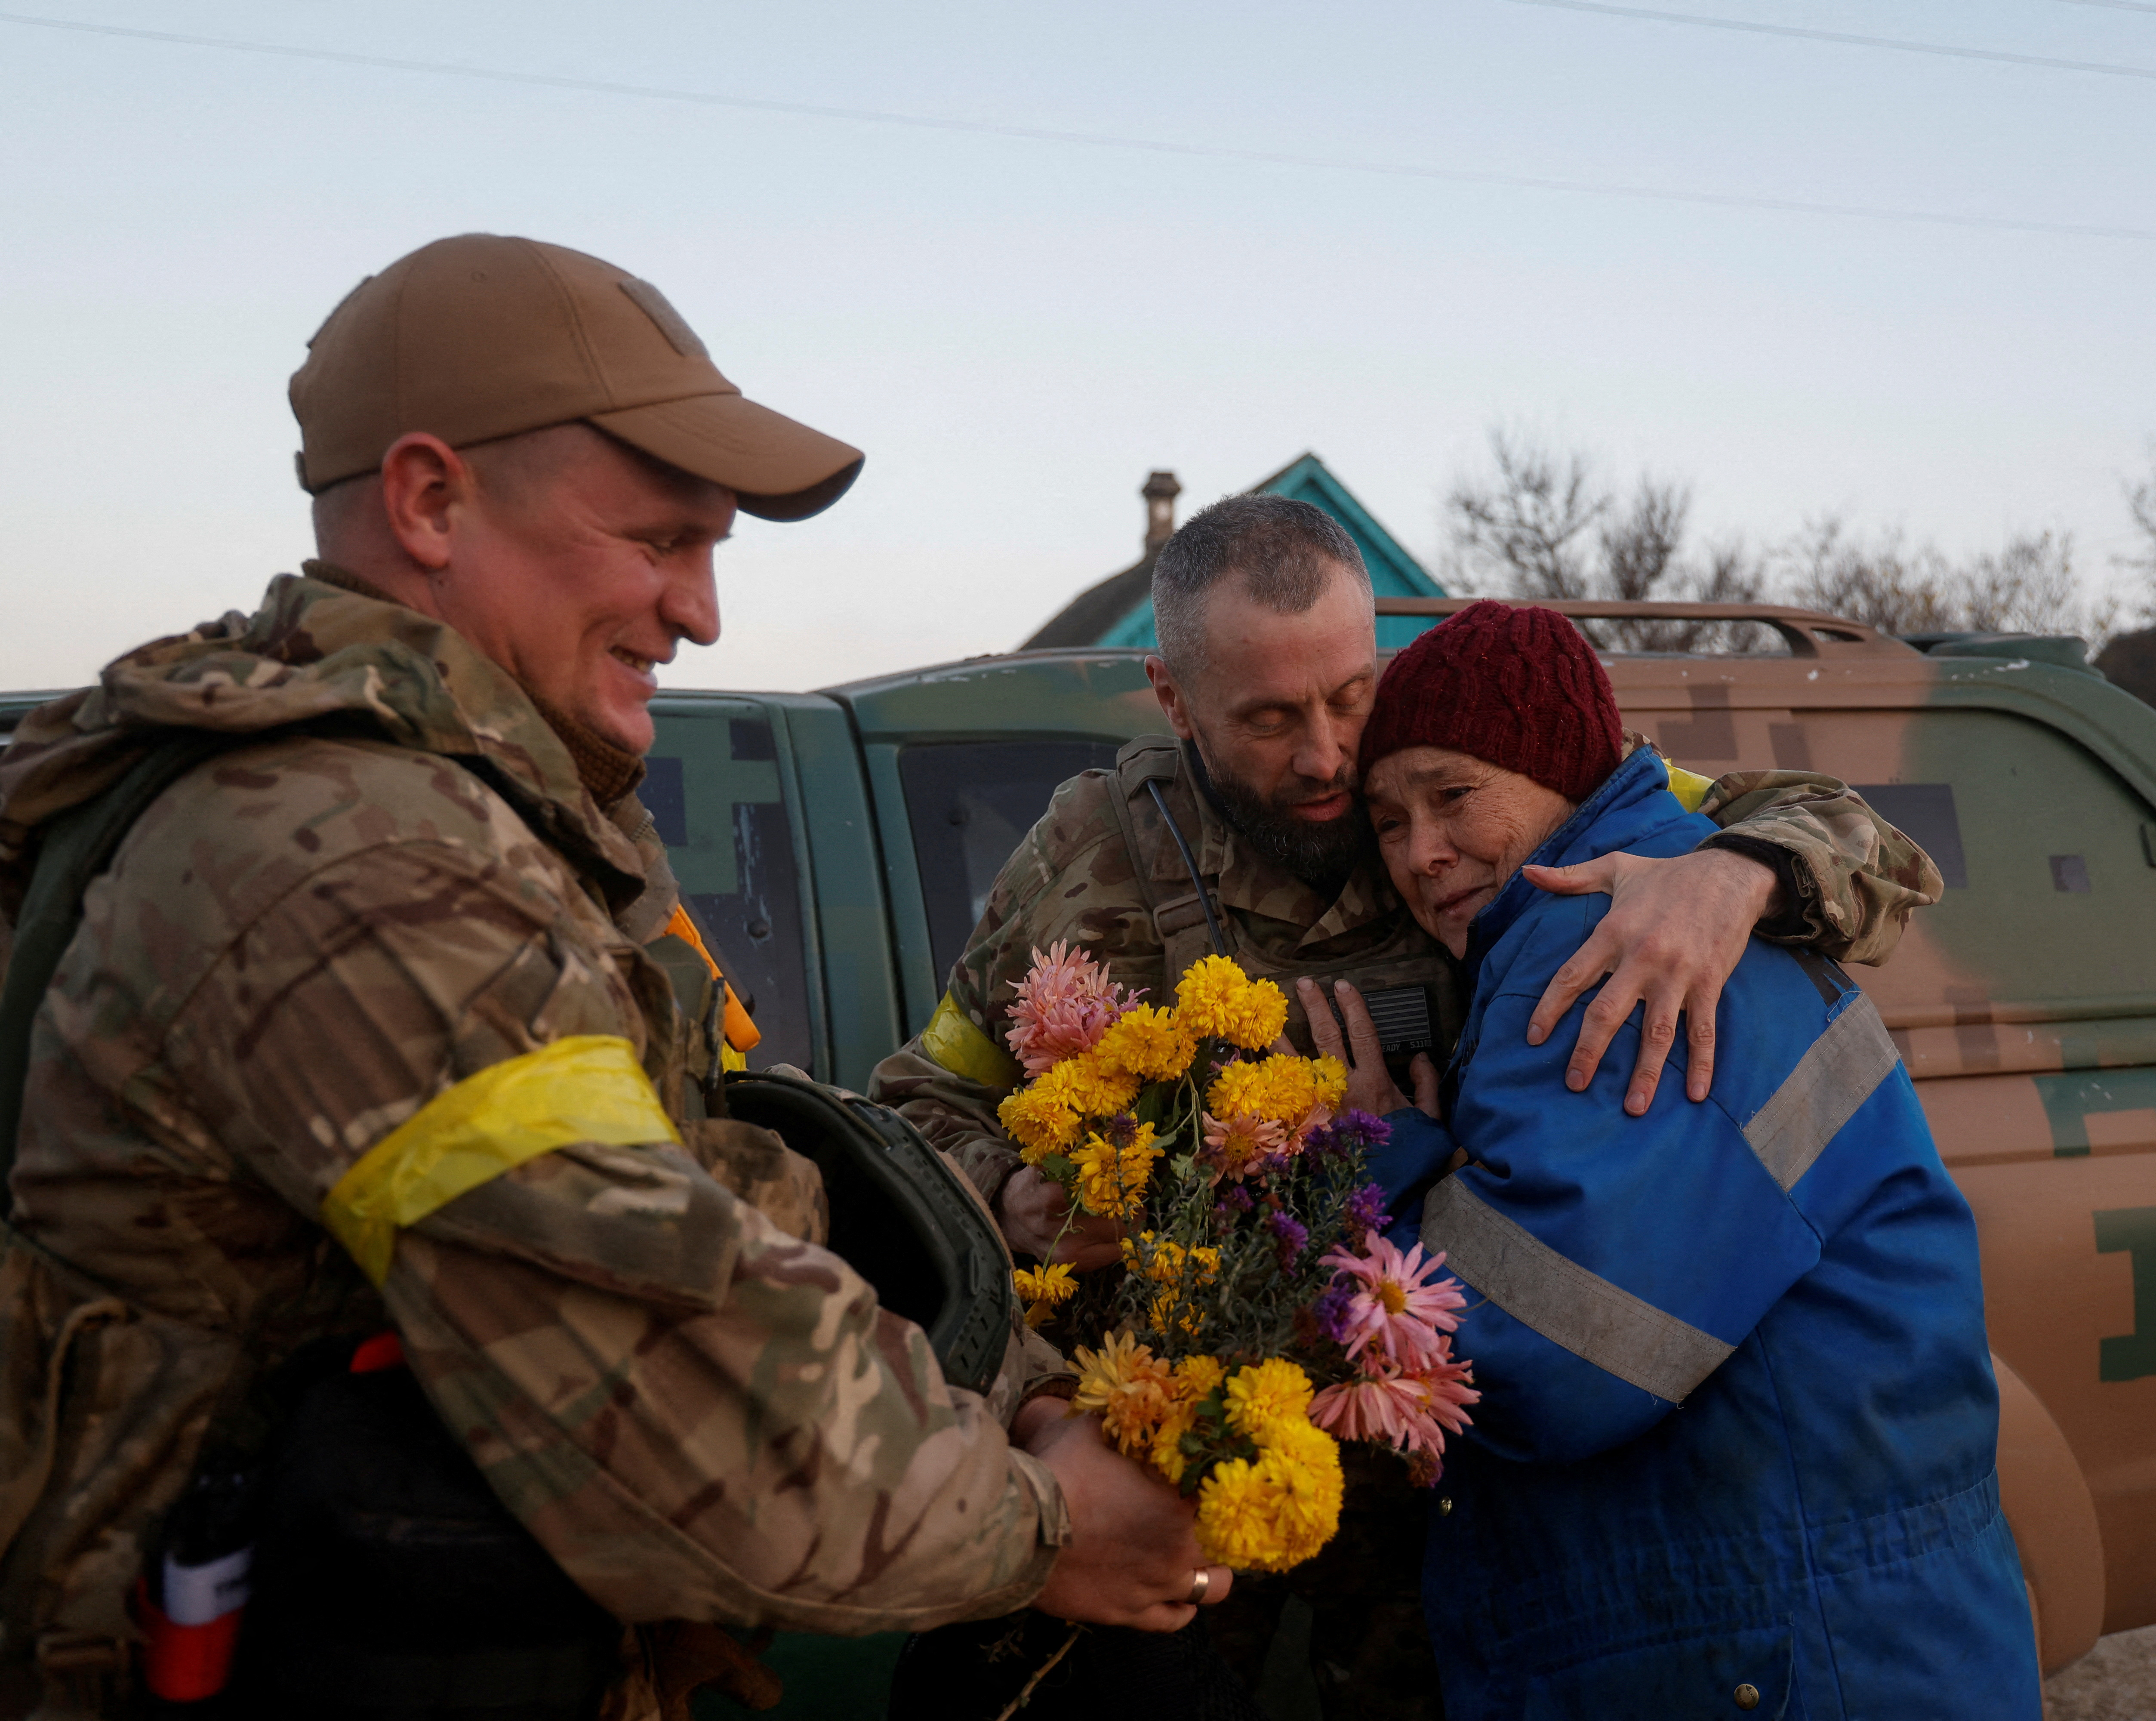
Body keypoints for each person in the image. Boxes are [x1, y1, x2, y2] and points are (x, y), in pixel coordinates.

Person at [0, 234, 1223, 1721]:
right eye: (657, 540)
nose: (703, 613)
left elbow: (720, 1178)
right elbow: (668, 1358)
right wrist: (1049, 1525)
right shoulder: (350, 865)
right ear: (431, 500)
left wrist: (1014, 1376)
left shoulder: (487, 803)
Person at [870, 500, 1946, 1714]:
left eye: (1349, 696)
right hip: (1185, 1494)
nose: (1328, 757)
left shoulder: (1475, 789)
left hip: (1457, 1502)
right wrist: (1014, 1201)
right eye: (1272, 720)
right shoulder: (1088, 852)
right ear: (1174, 700)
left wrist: (1734, 873)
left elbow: (1869, 847)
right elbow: (917, 1102)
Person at [1318, 600, 2038, 1719]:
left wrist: (1379, 1167)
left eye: (1456, 794)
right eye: (1387, 818)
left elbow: (1544, 1358)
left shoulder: (1607, 944)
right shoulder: (1653, 893)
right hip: (1828, 1631)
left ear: (1561, 772)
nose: (1421, 852)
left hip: (1788, 1656)